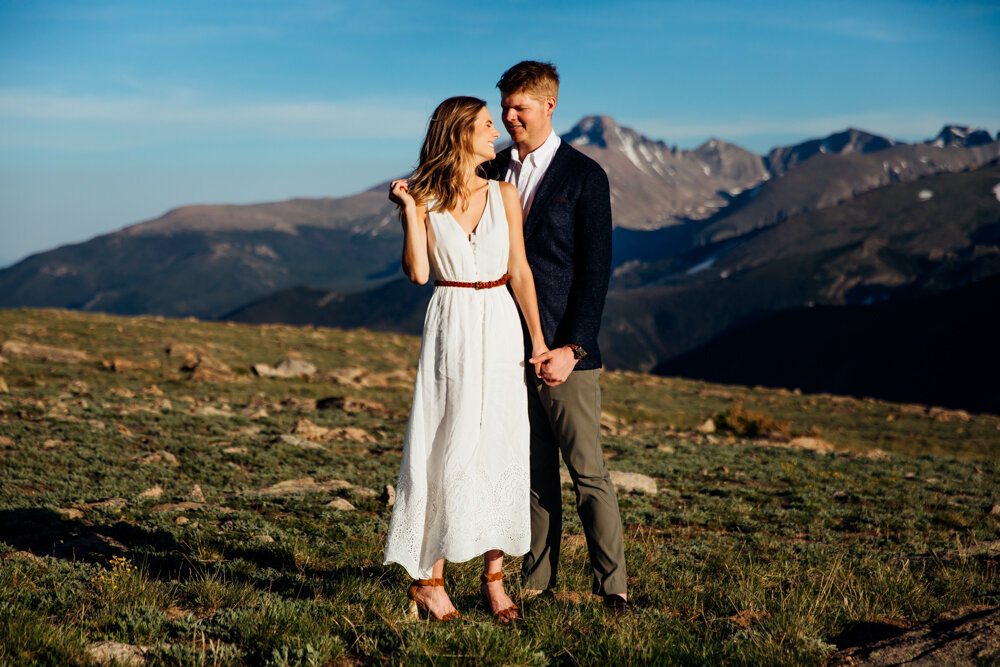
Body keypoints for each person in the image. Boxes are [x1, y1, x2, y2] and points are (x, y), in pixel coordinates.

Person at [382, 96, 548, 623]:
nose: (496, 133)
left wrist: (538, 341)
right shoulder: (426, 199)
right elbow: (416, 274)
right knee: (443, 443)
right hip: (450, 319)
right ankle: (430, 581)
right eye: (484, 125)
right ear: (458, 134)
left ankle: (494, 581)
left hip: (499, 322)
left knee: (501, 443)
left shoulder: (504, 194)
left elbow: (520, 271)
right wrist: (410, 211)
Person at [484, 61, 633, 614]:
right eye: (504, 107)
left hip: (565, 356)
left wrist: (573, 349)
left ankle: (613, 587)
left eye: (520, 107)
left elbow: (596, 271)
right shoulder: (491, 168)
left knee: (587, 472)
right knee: (532, 473)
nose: (510, 116)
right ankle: (536, 581)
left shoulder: (584, 175)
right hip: (504, 345)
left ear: (549, 106)